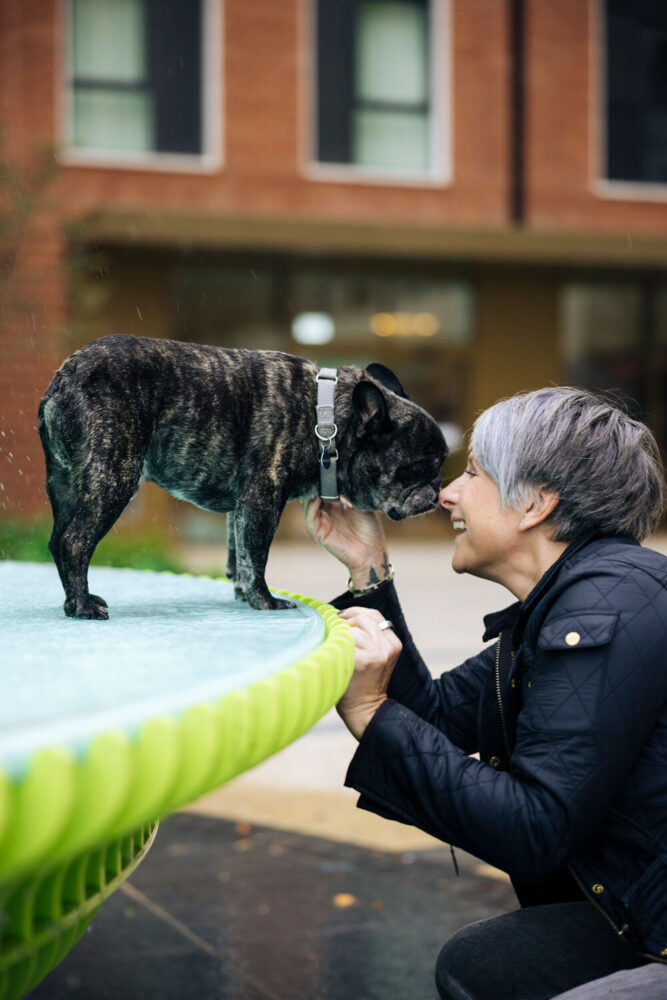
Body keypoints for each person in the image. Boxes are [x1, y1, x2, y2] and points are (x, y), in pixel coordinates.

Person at [304, 387, 667, 1000]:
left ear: (535, 503)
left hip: (651, 925)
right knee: (485, 963)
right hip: (639, 900)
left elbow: (534, 829)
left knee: (484, 966)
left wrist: (368, 710)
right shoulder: (579, 596)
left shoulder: (609, 606)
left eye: (472, 473)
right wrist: (368, 570)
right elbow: (437, 714)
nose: (447, 493)